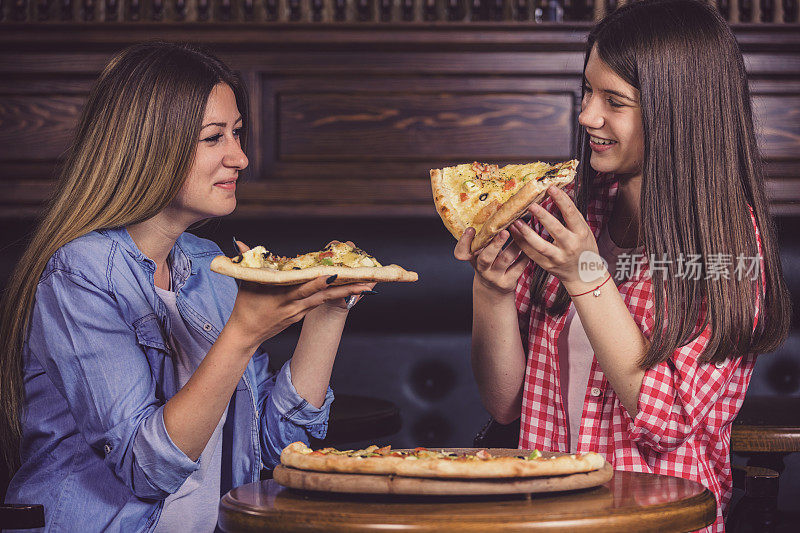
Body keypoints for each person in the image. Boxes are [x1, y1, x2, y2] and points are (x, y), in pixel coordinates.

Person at [0, 42, 374, 532]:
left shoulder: (209, 268)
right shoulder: (81, 272)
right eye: (214, 137)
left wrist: (330, 308)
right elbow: (146, 468)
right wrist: (243, 333)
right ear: (149, 145)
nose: (239, 157)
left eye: (237, 134)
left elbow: (277, 450)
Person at [455, 1, 791, 530]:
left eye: (615, 101)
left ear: (680, 112)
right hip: (544, 516)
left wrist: (585, 274)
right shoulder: (565, 207)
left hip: (655, 519)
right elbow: (507, 406)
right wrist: (491, 293)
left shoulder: (727, 244)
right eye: (588, 91)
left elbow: (667, 420)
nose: (587, 115)